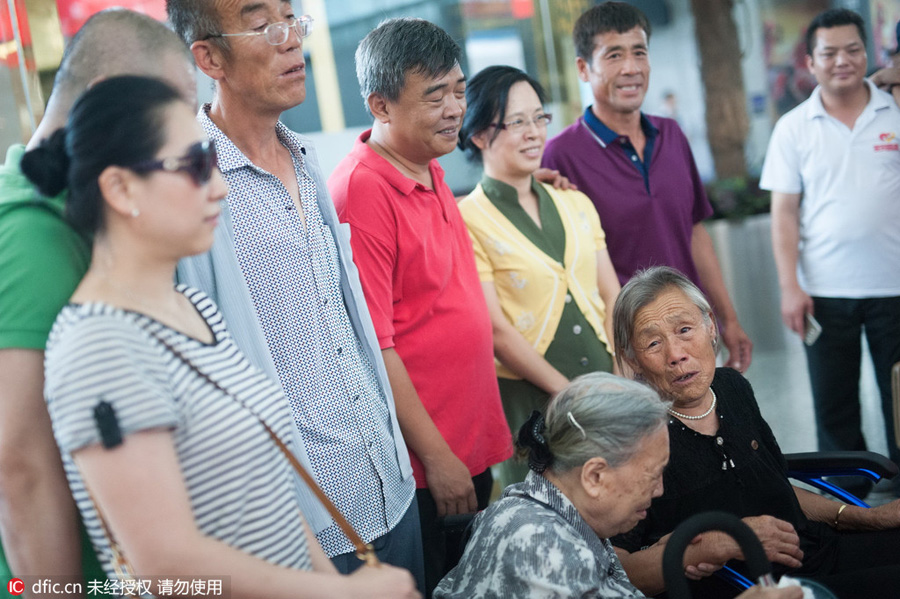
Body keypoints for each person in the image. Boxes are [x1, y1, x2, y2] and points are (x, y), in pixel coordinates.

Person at [25, 75, 418, 599]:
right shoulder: (100, 343)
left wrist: (330, 581)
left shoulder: (192, 306)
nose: (220, 186)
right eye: (192, 167)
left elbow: (272, 485)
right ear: (119, 189)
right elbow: (164, 565)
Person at [165, 0, 422, 584]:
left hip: (389, 486)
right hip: (300, 527)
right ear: (209, 57)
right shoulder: (192, 187)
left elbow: (350, 331)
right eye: (264, 27)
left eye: (294, 21)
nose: (291, 41)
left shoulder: (306, 161)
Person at [0, 10, 196, 595]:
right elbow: (23, 469)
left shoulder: (89, 215)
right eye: (174, 108)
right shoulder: (31, 235)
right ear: (110, 102)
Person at [327, 18, 513, 596]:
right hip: (428, 465)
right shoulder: (363, 189)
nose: (455, 108)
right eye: (435, 96)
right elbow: (374, 344)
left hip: (468, 439)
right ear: (379, 104)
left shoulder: (429, 166)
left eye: (458, 90)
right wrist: (436, 458)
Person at [610, 266, 900, 599]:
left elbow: (778, 486)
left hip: (818, 549)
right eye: (653, 343)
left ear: (710, 327)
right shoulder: (636, 440)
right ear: (631, 360)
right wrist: (716, 544)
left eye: (685, 329)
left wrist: (867, 518)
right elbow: (618, 570)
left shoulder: (731, 387)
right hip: (758, 589)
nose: (676, 354)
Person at [434, 372, 805, 599]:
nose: (659, 490)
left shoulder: (548, 508)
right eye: (651, 474)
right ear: (594, 476)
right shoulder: (541, 548)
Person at [541, 1, 753, 373]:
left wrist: (728, 318)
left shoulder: (671, 134)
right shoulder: (560, 155)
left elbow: (694, 232)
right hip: (627, 348)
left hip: (693, 333)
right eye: (614, 55)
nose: (631, 68)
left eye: (639, 52)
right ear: (583, 68)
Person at [456, 65, 620, 488]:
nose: (533, 132)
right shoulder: (465, 219)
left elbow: (610, 294)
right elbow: (496, 329)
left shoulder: (575, 201)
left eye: (539, 117)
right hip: (530, 401)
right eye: (516, 122)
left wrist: (620, 375)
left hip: (608, 386)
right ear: (477, 134)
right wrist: (567, 394)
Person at [760, 8, 900, 498]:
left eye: (853, 50)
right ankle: (848, 499)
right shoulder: (794, 128)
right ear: (811, 61)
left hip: (895, 288)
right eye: (830, 52)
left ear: (868, 54)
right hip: (824, 291)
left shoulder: (895, 110)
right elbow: (784, 215)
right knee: (835, 407)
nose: (843, 60)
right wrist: (789, 286)